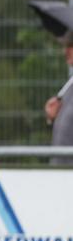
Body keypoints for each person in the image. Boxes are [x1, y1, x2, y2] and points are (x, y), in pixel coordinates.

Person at [44, 30, 73, 166]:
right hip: (60, 176)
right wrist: (53, 117)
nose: (65, 52)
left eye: (70, 46)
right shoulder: (69, 87)